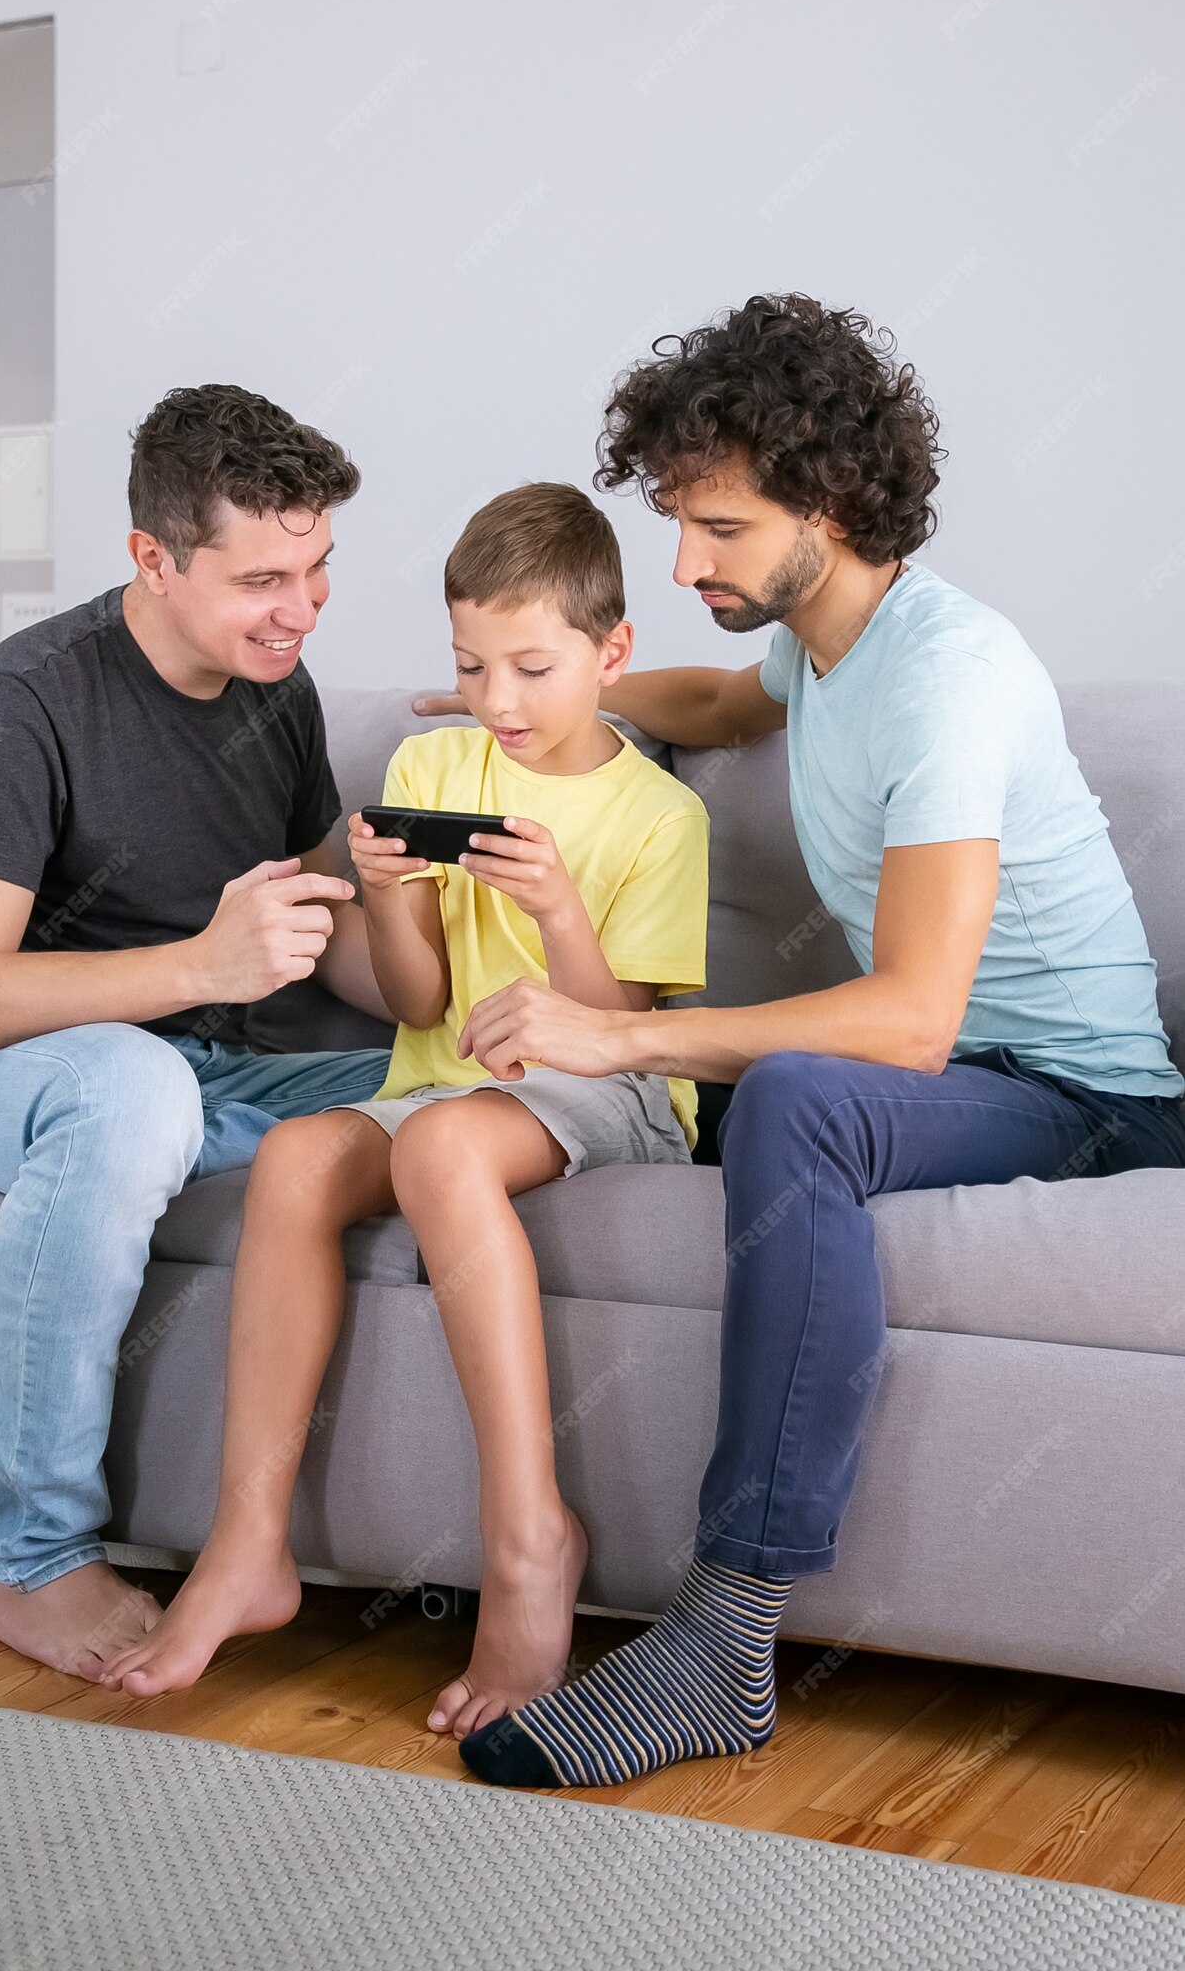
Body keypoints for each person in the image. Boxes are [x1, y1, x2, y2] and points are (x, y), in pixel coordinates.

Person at [403, 295, 1185, 1788]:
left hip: (1081, 1095)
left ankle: (723, 1638)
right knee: (785, 1097)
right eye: (680, 525)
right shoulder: (823, 647)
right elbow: (713, 697)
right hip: (976, 1078)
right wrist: (532, 695)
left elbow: (912, 1019)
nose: (688, 561)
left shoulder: (948, 678)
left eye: (721, 529)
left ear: (825, 507)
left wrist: (623, 1042)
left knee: (796, 1105)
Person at [95, 482, 710, 1734]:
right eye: (471, 665)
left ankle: (530, 1533)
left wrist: (555, 911)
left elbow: (616, 1025)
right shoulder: (435, 764)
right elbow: (419, 1001)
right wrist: (387, 896)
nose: (499, 702)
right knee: (296, 1159)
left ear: (612, 654)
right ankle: (248, 1539)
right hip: (442, 1079)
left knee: (439, 1141)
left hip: (611, 1088)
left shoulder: (662, 812)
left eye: (532, 668)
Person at [0, 384, 396, 1681]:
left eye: (319, 568)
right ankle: (27, 1557)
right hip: (13, 1067)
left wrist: (411, 925)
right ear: (153, 560)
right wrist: (196, 965)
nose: (302, 607)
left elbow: (313, 932)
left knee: (465, 1085)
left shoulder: (274, 696)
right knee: (134, 1093)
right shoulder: (29, 699)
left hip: (206, 1071)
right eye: (263, 578)